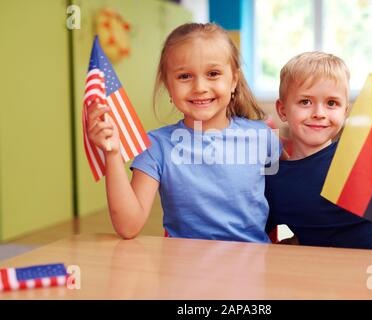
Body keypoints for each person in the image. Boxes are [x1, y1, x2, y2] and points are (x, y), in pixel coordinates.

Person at [87, 23, 280, 242]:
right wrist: (112, 154)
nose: (199, 87)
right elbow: (128, 227)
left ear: (233, 80)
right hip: (182, 268)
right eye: (184, 76)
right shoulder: (155, 146)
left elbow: (287, 204)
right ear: (168, 85)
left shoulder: (263, 137)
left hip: (252, 266)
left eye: (213, 73)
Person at [265, 51, 372, 252]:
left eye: (331, 103)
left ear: (345, 111)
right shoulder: (273, 180)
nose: (319, 114)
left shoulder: (359, 156)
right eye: (305, 102)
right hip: (345, 279)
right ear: (282, 110)